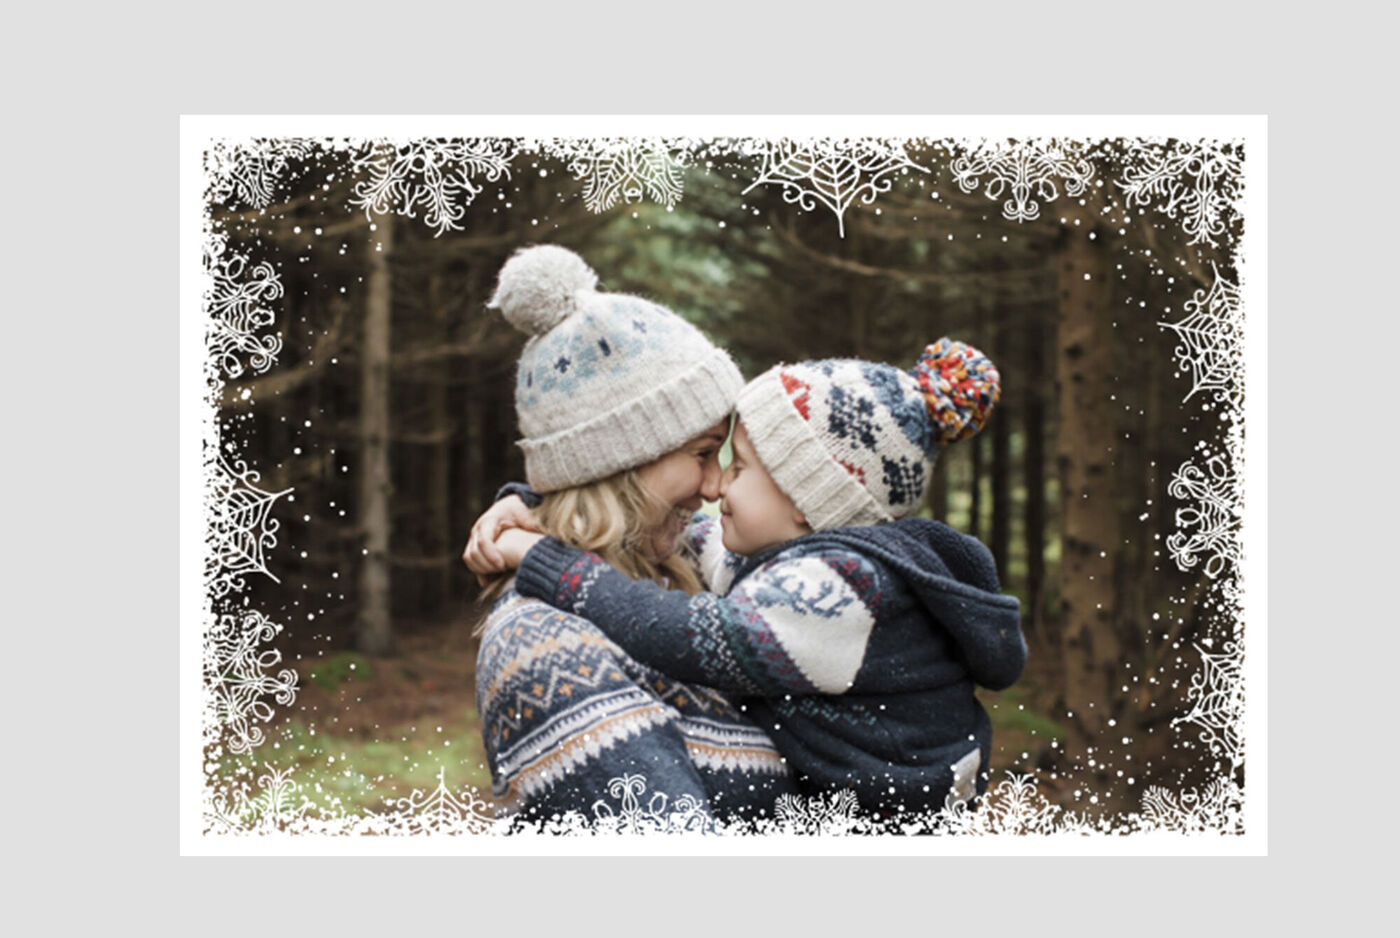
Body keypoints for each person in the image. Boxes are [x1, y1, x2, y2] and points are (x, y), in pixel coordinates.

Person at [488, 339, 1028, 815]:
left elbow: (681, 631)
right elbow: (695, 543)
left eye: (738, 466)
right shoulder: (794, 559)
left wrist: (548, 562)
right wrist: (546, 505)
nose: (719, 485)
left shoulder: (843, 588)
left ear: (804, 498)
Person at [467, 244, 796, 829]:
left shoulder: (688, 563)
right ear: (619, 463)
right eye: (702, 453)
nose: (717, 485)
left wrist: (530, 507)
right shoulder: (541, 648)